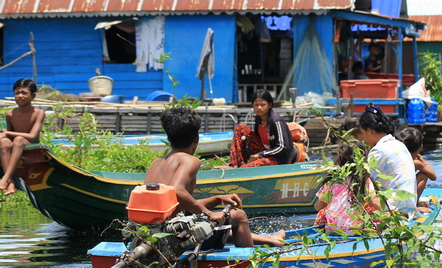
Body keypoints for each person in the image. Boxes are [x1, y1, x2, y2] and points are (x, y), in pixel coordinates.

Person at [144, 106, 284, 247]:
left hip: (154, 233)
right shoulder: (189, 160)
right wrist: (208, 213)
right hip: (174, 237)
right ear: (196, 138)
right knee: (238, 216)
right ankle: (249, 264)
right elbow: (177, 190)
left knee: (219, 222)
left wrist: (217, 199)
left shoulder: (156, 163)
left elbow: (179, 205)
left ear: (168, 138)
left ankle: (271, 239)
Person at [357, 105, 418, 216]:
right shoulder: (399, 144)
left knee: (365, 185)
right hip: (409, 207)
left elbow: (367, 183)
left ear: (370, 131)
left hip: (395, 211)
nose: (363, 138)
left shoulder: (379, 150)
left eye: (363, 133)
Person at [0, 78, 46, 196]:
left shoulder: (38, 113)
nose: (20, 96)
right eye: (17, 93)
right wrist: (4, 138)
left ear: (33, 96)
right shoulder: (10, 114)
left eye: (24, 93)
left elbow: (32, 136)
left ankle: (5, 179)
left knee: (18, 139)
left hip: (31, 146)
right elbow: (9, 137)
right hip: (17, 146)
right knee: (5, 142)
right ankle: (10, 182)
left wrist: (7, 133)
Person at [314, 141, 381, 235]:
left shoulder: (332, 180)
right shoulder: (364, 180)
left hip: (332, 229)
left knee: (323, 211)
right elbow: (373, 200)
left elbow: (318, 206)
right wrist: (388, 215)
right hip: (354, 230)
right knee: (370, 209)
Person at [228, 90, 299, 168]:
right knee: (240, 128)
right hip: (264, 152)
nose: (259, 107)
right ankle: (235, 164)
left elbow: (282, 147)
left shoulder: (276, 120)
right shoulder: (258, 119)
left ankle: (242, 168)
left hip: (279, 158)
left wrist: (260, 155)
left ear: (269, 105)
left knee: (246, 168)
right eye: (256, 105)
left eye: (263, 105)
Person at [396, 127, 438, 213]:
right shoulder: (416, 163)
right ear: (420, 147)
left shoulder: (395, 158)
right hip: (402, 199)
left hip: (394, 194)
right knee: (423, 175)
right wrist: (422, 160)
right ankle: (414, 204)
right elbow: (433, 176)